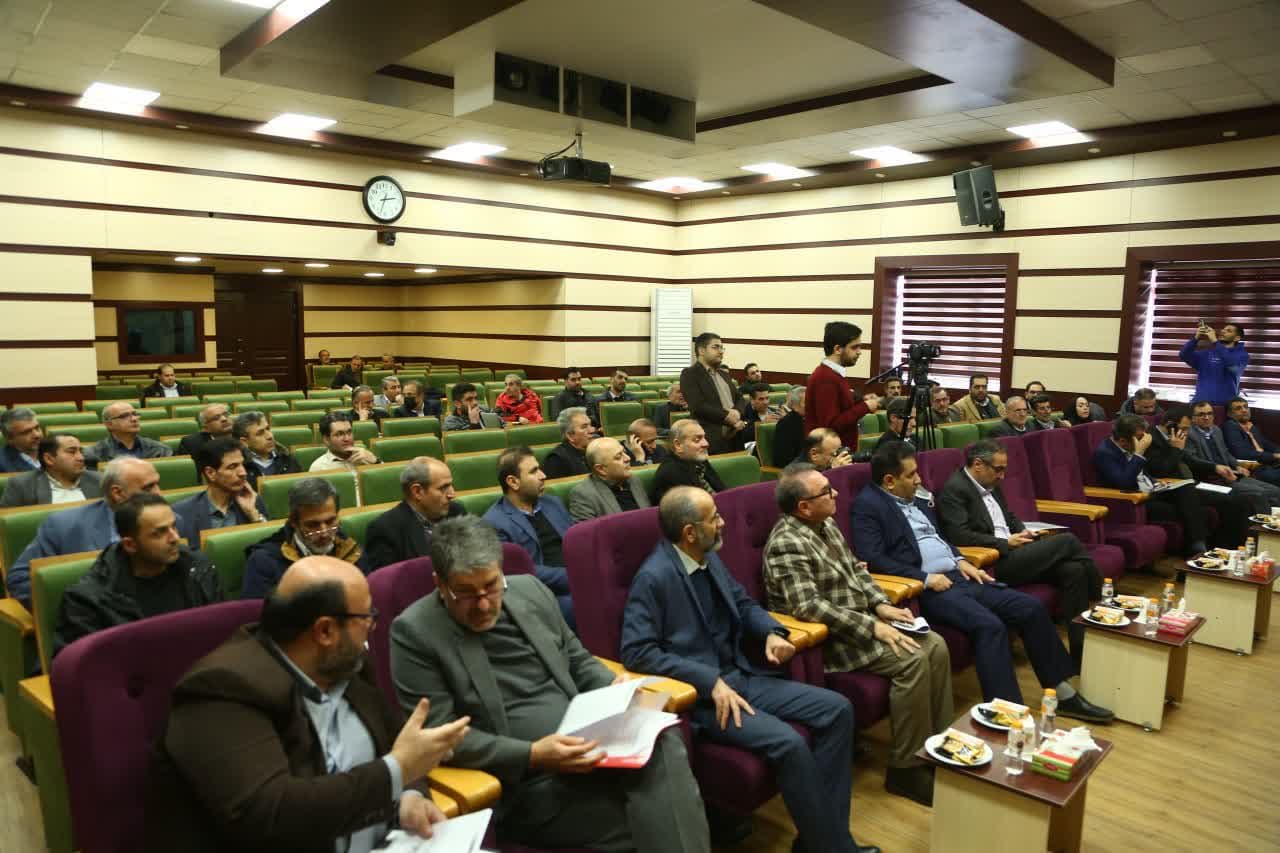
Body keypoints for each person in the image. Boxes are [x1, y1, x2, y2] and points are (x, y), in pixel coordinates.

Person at [389, 517, 709, 852]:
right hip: (531, 782)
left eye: (492, 586)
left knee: (663, 739)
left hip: (595, 748)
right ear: (440, 584)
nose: (483, 604)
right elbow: (442, 738)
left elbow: (579, 661)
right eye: (466, 593)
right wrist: (533, 755)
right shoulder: (415, 633)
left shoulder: (531, 590)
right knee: (663, 819)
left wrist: (615, 687)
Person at [146, 555, 469, 853]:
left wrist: (409, 794)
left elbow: (397, 746)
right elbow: (272, 813)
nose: (371, 627)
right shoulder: (221, 691)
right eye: (366, 617)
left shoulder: (346, 664)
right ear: (325, 631)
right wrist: (396, 772)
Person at [622, 487, 878, 853]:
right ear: (690, 532)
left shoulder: (708, 557)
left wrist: (771, 632)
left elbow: (743, 604)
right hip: (704, 699)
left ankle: (820, 840)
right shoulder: (654, 576)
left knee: (838, 710)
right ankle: (833, 847)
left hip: (742, 676)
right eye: (714, 518)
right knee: (789, 743)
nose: (723, 522)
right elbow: (638, 652)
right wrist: (708, 681)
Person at [853, 442, 1112, 720]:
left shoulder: (914, 498)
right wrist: (925, 578)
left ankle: (1064, 694)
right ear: (889, 481)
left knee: (1030, 608)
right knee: (990, 626)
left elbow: (940, 538)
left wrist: (959, 559)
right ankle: (1006, 716)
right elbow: (873, 558)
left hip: (961, 575)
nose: (919, 479)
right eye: (911, 474)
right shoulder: (868, 506)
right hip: (929, 589)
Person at [763, 464, 952, 807]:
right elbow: (807, 606)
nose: (835, 493)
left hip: (862, 620)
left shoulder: (826, 523)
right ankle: (905, 769)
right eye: (826, 491)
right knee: (912, 659)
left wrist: (881, 605)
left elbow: (856, 569)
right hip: (831, 640)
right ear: (804, 506)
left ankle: (936, 748)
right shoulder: (786, 543)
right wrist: (872, 626)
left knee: (936, 645)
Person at [937, 440, 1101, 669]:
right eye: (998, 469)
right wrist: (1004, 542)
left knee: (1073, 570)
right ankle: (1104, 598)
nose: (1003, 475)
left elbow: (1008, 516)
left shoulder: (990, 482)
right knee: (1068, 541)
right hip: (995, 562)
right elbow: (959, 536)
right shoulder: (954, 490)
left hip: (1016, 550)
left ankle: (1079, 654)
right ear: (978, 464)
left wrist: (1022, 530)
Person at [53, 492, 222, 659]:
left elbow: (223, 632)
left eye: (174, 526)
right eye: (160, 532)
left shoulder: (198, 569)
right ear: (130, 545)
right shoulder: (88, 600)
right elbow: (77, 665)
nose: (175, 538)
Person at [9, 457, 163, 609]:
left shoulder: (170, 520)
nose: (159, 494)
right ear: (117, 493)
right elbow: (20, 579)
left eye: (158, 484)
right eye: (148, 488)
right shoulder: (64, 526)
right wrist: (80, 609)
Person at [482, 446, 574, 624]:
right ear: (513, 482)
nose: (543, 475)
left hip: (577, 578)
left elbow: (575, 542)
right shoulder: (494, 522)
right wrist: (573, 576)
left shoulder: (553, 503)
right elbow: (521, 570)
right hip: (542, 594)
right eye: (534, 471)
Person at [1093, 414, 1208, 555]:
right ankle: (1198, 549)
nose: (1145, 441)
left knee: (1188, 490)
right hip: (1134, 501)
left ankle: (1198, 546)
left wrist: (1155, 481)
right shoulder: (1105, 453)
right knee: (1192, 510)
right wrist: (1139, 453)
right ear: (1123, 441)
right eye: (1140, 438)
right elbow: (1124, 483)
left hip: (1152, 490)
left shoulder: (1131, 444)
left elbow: (1144, 473)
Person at [241, 477, 368, 598]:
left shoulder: (351, 550)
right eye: (313, 525)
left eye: (330, 521)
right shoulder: (264, 562)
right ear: (294, 522)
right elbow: (257, 611)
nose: (324, 533)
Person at [1145, 408, 1253, 548]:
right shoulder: (1151, 439)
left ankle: (1239, 548)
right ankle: (1219, 548)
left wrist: (1215, 467)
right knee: (1231, 502)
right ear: (1170, 425)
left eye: (1188, 428)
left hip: (1189, 484)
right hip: (1168, 489)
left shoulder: (1176, 437)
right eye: (1184, 428)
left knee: (1240, 498)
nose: (1187, 432)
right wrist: (1176, 449)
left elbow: (1189, 459)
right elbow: (1161, 470)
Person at [365, 457, 464, 570]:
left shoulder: (456, 511)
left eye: (451, 485)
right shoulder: (385, 530)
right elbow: (387, 579)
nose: (452, 494)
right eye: (443, 488)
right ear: (417, 491)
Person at [172, 437, 269, 546]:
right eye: (232, 467)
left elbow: (270, 549)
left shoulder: (253, 501)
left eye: (242, 465)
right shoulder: (182, 514)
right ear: (210, 473)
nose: (243, 473)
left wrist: (253, 514)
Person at [1187, 400, 1280, 512]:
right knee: (1259, 494)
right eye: (1201, 414)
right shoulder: (1189, 434)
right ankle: (1261, 523)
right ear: (1192, 418)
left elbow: (1226, 453)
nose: (1206, 417)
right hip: (1210, 480)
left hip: (1231, 474)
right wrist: (1216, 468)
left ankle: (1274, 521)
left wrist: (1237, 466)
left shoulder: (1216, 430)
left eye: (1209, 413)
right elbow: (1193, 461)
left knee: (1275, 491)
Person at [805, 321, 879, 451]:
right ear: (838, 349)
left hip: (840, 452)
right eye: (854, 347)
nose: (859, 352)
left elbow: (841, 408)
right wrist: (865, 407)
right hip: (830, 454)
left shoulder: (833, 374)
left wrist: (861, 401)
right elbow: (831, 425)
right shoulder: (825, 377)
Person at [681, 333, 745, 454]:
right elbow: (698, 406)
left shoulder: (724, 374)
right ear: (701, 350)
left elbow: (740, 398)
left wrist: (737, 412)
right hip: (710, 438)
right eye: (715, 347)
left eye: (722, 348)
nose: (720, 351)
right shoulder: (690, 374)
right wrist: (726, 416)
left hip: (735, 435)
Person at [0, 434, 102, 507]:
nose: (81, 458)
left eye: (81, 451)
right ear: (49, 459)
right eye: (72, 452)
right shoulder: (22, 486)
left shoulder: (100, 480)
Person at [569, 437, 652, 521]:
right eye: (618, 457)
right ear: (601, 469)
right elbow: (588, 529)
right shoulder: (584, 494)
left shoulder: (634, 480)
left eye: (624, 452)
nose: (628, 458)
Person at [651, 419, 727, 505]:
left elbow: (723, 491)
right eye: (697, 440)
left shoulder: (698, 460)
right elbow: (696, 509)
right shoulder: (671, 472)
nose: (706, 443)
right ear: (678, 445)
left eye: (704, 438)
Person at [1181, 321, 1248, 405]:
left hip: (1224, 405)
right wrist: (1196, 338)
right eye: (1223, 329)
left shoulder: (1242, 355)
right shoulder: (1208, 353)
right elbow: (1184, 355)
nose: (1223, 331)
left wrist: (1215, 342)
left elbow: (1230, 362)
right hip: (1200, 404)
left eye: (1229, 331)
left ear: (1237, 338)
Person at [233, 410, 301, 490]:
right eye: (260, 433)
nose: (269, 436)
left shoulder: (288, 459)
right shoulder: (239, 468)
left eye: (268, 429)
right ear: (244, 442)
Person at [1223, 397, 1280, 486]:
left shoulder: (1251, 426)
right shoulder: (1230, 426)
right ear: (1229, 414)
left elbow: (1266, 444)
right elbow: (1241, 453)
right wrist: (1274, 456)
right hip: (1254, 468)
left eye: (1246, 407)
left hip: (1268, 464)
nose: (1244, 410)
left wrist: (1278, 452)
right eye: (1238, 408)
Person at [91, 402, 173, 463]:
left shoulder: (160, 450)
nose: (134, 419)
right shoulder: (95, 454)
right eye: (124, 416)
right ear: (109, 424)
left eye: (135, 414)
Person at [311, 412, 378, 471]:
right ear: (326, 440)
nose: (347, 438)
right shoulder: (319, 468)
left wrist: (376, 461)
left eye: (349, 432)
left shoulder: (365, 456)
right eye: (339, 434)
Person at [542, 407, 596, 480]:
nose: (592, 430)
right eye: (584, 427)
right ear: (570, 435)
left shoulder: (595, 449)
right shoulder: (557, 460)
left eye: (590, 425)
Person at [772, 386, 807, 468]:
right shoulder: (786, 424)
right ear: (795, 405)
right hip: (796, 469)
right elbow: (783, 459)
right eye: (806, 402)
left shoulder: (812, 420)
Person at [0, 408, 43, 472]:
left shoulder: (54, 449)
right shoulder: (2, 464)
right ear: (9, 438)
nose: (37, 435)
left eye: (37, 428)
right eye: (27, 432)